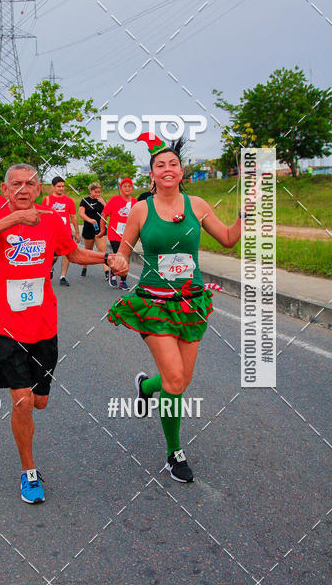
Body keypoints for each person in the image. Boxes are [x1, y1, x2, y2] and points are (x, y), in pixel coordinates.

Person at [0, 163, 127, 504]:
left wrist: (107, 257)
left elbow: (74, 253)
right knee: (22, 401)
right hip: (4, 328)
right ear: (5, 189)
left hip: (43, 327)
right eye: (16, 184)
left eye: (30, 184)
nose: (23, 189)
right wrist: (14, 219)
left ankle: (31, 421)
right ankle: (29, 471)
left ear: (39, 190)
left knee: (40, 401)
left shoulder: (52, 220)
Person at [107, 134, 244, 483]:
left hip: (190, 301)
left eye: (173, 164)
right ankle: (174, 453)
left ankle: (145, 388)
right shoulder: (141, 210)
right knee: (174, 378)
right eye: (160, 165)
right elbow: (123, 252)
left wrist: (245, 214)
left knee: (180, 381)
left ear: (182, 172)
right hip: (153, 304)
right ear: (151, 174)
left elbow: (228, 239)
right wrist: (118, 263)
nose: (167, 169)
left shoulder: (197, 205)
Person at [100, 178, 137, 290]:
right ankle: (113, 273)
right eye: (125, 186)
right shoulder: (114, 200)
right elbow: (104, 214)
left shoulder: (135, 202)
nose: (127, 188)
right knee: (119, 254)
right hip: (115, 233)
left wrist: (140, 233)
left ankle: (123, 281)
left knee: (126, 257)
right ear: (120, 188)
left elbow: (139, 219)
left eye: (129, 186)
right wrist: (102, 230)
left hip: (129, 234)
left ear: (132, 188)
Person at [41, 176, 79, 286]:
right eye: (59, 186)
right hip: (52, 233)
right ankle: (50, 267)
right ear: (53, 187)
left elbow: (73, 217)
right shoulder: (47, 200)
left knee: (67, 254)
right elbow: (43, 216)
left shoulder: (69, 200)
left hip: (66, 232)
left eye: (63, 186)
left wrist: (77, 232)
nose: (61, 188)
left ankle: (63, 276)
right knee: (54, 256)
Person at [78, 182, 108, 280]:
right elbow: (81, 213)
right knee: (88, 250)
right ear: (90, 191)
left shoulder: (102, 200)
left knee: (102, 250)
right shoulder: (85, 201)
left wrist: (104, 203)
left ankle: (107, 272)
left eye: (99, 192)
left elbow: (109, 212)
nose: (97, 194)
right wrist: (89, 220)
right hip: (88, 228)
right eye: (95, 192)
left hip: (100, 228)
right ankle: (84, 267)